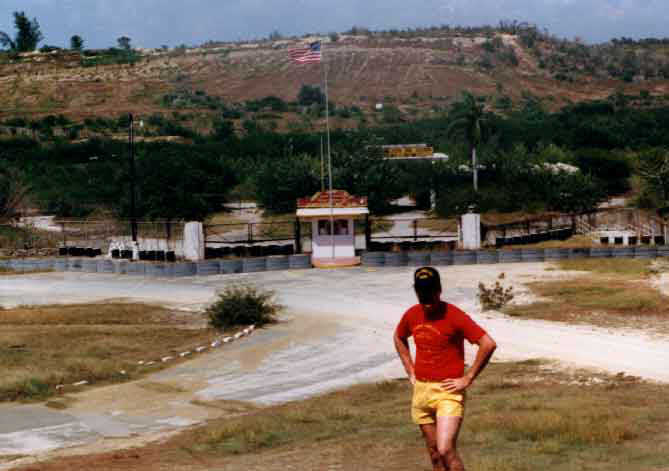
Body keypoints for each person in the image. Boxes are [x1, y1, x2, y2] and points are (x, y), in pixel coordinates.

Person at [394, 267, 497, 471]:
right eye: (422, 292)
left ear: (439, 290)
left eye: (430, 291)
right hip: (421, 391)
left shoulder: (454, 315)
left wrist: (468, 378)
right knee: (435, 455)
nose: (426, 297)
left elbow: (488, 344)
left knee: (445, 449)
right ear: (416, 291)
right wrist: (410, 370)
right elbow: (399, 336)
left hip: (448, 392)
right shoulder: (412, 314)